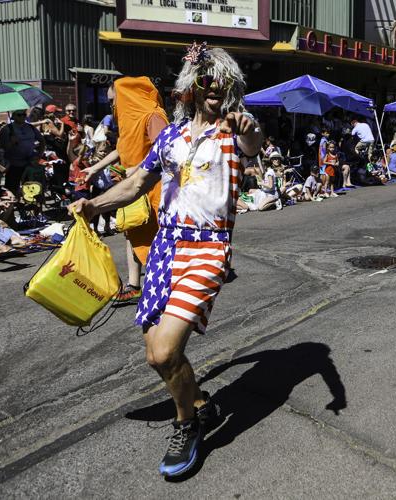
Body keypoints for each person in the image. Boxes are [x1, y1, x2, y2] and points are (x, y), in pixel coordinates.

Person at [70, 43, 262, 478]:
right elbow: (137, 182)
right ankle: (197, 403)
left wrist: (249, 128)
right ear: (192, 85)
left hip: (208, 249)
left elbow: (254, 142)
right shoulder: (171, 137)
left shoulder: (232, 130)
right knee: (157, 356)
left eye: (224, 84)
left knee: (162, 353)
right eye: (209, 82)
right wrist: (95, 204)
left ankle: (186, 425)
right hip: (164, 249)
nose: (216, 91)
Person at [82, 77, 169, 304]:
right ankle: (134, 286)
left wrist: (139, 168)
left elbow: (166, 151)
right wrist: (94, 167)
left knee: (158, 234)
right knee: (131, 229)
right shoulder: (129, 119)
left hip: (154, 186)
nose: (112, 106)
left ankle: (165, 281)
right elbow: (120, 150)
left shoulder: (152, 115)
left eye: (114, 100)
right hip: (133, 187)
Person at [0, 109, 45, 195]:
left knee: (31, 189)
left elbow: (42, 141)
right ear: (14, 116)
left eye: (24, 114)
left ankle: (31, 206)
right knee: (12, 189)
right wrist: (11, 142)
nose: (22, 117)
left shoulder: (30, 127)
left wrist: (39, 155)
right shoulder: (6, 129)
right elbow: (3, 148)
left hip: (29, 163)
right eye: (19, 115)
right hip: (13, 164)